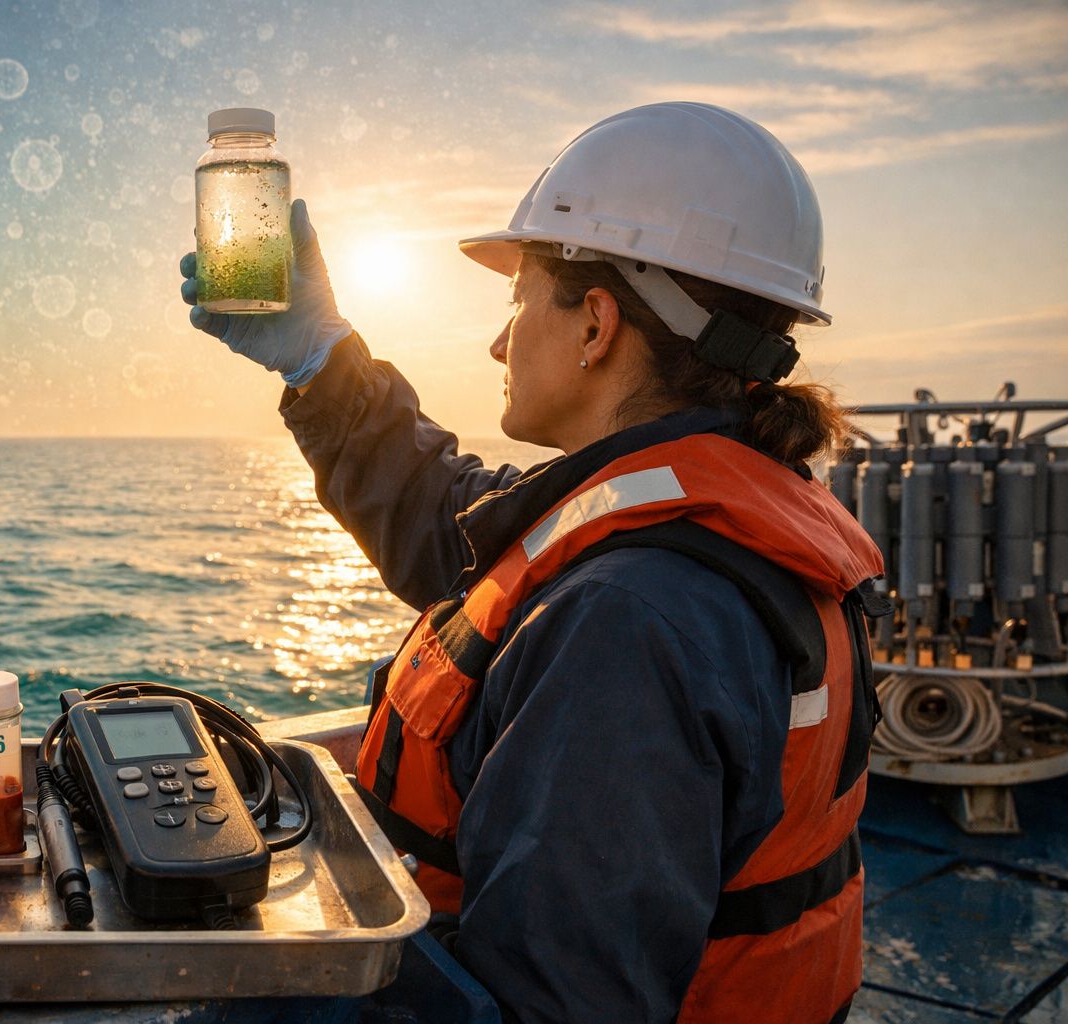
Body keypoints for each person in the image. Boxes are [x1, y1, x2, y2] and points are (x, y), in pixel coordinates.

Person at [179, 102, 887, 1024]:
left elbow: (551, 1006)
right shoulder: (693, 517)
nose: (499, 342)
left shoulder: (628, 623)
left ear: (595, 325)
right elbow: (454, 520)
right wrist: (321, 359)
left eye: (516, 302)